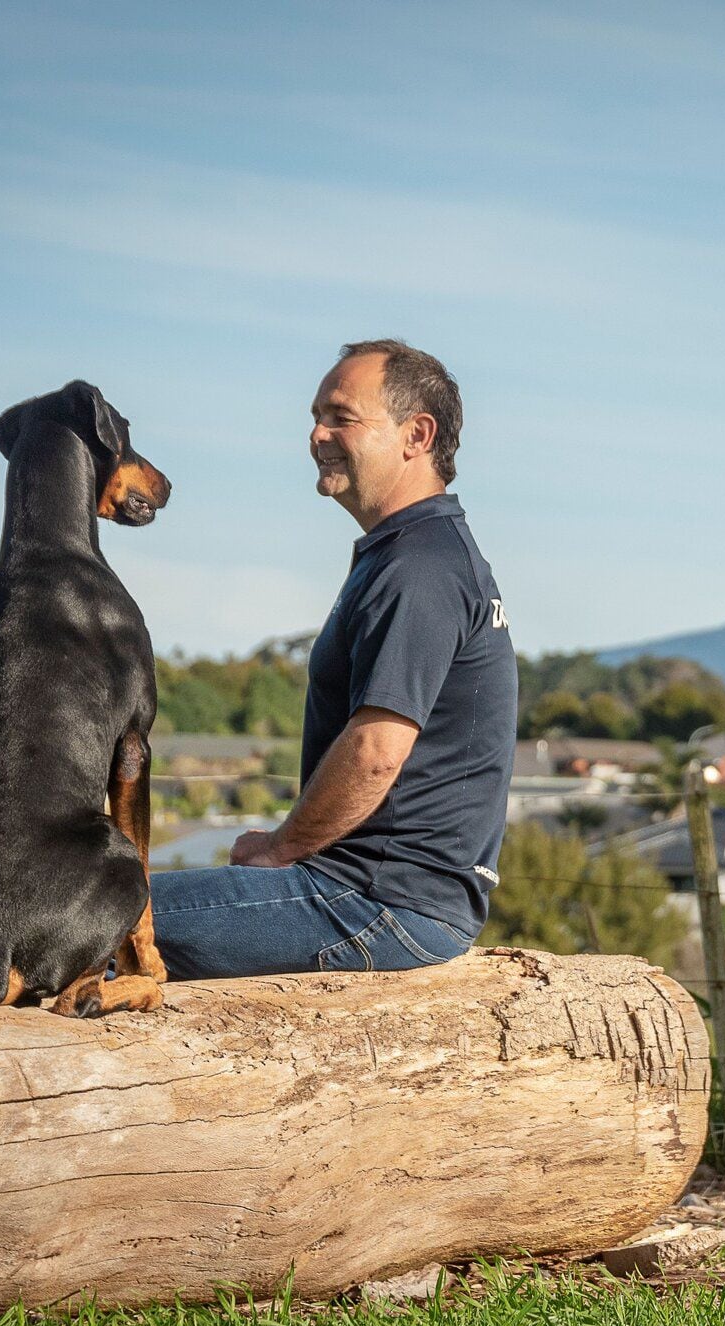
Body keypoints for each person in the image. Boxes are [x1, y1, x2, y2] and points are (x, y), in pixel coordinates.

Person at [150, 340, 516, 977]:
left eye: (341, 417)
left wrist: (280, 847)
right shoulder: (416, 552)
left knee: (87, 916)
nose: (316, 434)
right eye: (316, 416)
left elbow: (376, 754)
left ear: (416, 435)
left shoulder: (420, 566)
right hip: (389, 900)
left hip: (378, 904)